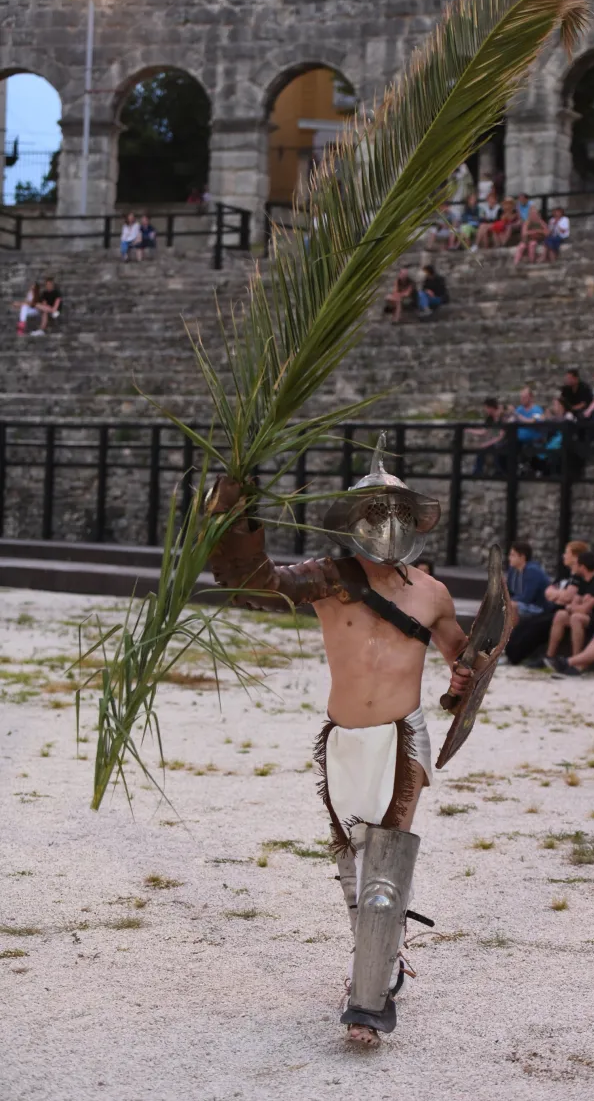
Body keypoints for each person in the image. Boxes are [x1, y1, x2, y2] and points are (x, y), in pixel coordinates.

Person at [207, 436, 482, 1049]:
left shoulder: (432, 593)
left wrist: (465, 675)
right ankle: (382, 962)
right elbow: (251, 582)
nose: (387, 524)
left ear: (412, 519)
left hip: (402, 738)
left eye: (397, 512)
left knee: (385, 866)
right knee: (355, 872)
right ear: (355, 521)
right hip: (343, 739)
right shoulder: (330, 580)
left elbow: (460, 655)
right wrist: (237, 512)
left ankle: (371, 1000)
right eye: (375, 512)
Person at [505, 540, 589, 665]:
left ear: (576, 557)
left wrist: (557, 595)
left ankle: (516, 656)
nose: (564, 556)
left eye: (567, 553)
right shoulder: (565, 572)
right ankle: (508, 652)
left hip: (558, 610)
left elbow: (566, 597)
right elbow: (549, 591)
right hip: (553, 607)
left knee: (536, 627)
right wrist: (558, 595)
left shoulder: (578, 576)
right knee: (526, 625)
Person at [543, 551, 594, 669]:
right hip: (590, 615)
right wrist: (576, 606)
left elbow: (584, 608)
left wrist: (576, 607)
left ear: (582, 567)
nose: (573, 568)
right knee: (561, 615)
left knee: (576, 618)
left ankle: (576, 662)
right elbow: (575, 603)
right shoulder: (584, 580)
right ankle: (549, 656)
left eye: (576, 565)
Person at [506, 541, 550, 618]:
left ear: (522, 557)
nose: (509, 558)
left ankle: (512, 630)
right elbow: (508, 592)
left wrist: (506, 601)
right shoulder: (512, 570)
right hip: (520, 603)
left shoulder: (532, 570)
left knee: (510, 606)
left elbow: (527, 597)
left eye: (512, 555)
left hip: (537, 606)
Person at [469, 397, 508, 477]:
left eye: (486, 408)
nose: (485, 410)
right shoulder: (489, 418)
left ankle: (500, 471)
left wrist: (487, 443)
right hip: (495, 441)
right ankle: (477, 472)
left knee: (495, 448)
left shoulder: (502, 417)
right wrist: (470, 430)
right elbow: (484, 431)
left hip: (504, 441)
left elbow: (501, 436)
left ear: (491, 408)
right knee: (484, 449)